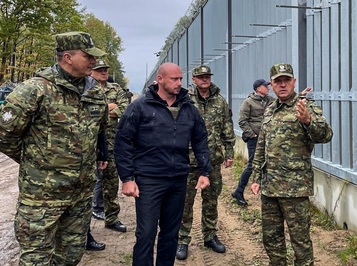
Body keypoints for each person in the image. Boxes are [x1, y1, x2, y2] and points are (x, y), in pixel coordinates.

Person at [0, 31, 109, 265]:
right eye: (88, 56)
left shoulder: (94, 92)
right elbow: (4, 135)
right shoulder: (34, 90)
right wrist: (37, 163)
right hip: (42, 198)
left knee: (71, 255)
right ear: (67, 57)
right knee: (36, 260)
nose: (94, 61)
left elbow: (99, 131)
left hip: (79, 195)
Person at [114, 62, 212, 266]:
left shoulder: (188, 108)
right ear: (160, 79)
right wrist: (127, 178)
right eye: (174, 79)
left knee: (170, 233)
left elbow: (200, 139)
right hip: (149, 180)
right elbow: (123, 142)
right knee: (146, 233)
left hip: (177, 180)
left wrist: (205, 171)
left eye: (180, 79)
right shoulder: (140, 107)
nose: (178, 83)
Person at [251, 63, 333, 266]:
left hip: (294, 189)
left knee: (300, 242)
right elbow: (262, 143)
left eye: (286, 80)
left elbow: (326, 135)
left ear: (294, 82)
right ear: (271, 84)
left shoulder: (305, 106)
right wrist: (255, 176)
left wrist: (308, 122)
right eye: (278, 81)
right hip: (270, 188)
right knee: (271, 238)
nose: (283, 85)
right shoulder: (270, 108)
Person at [176, 65, 235, 260]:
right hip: (188, 160)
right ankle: (182, 239)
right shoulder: (184, 101)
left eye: (207, 76)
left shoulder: (219, 101)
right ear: (193, 80)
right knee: (185, 202)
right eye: (200, 77)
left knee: (211, 200)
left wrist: (229, 151)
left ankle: (209, 235)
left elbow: (227, 126)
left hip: (212, 160)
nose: (204, 79)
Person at [90, 59, 128, 233]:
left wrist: (99, 111)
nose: (104, 72)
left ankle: (112, 218)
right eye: (100, 69)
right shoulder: (86, 88)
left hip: (111, 142)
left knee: (111, 182)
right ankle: (84, 229)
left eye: (105, 69)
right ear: (92, 71)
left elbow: (125, 109)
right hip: (88, 144)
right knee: (86, 184)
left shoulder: (116, 89)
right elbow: (84, 113)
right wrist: (109, 109)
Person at [231, 79, 275, 206]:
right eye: (265, 86)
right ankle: (239, 191)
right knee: (252, 165)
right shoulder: (248, 102)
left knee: (269, 164)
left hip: (268, 138)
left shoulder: (270, 100)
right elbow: (242, 121)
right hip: (255, 139)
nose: (268, 87)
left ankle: (268, 194)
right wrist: (252, 135)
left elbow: (286, 101)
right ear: (258, 88)